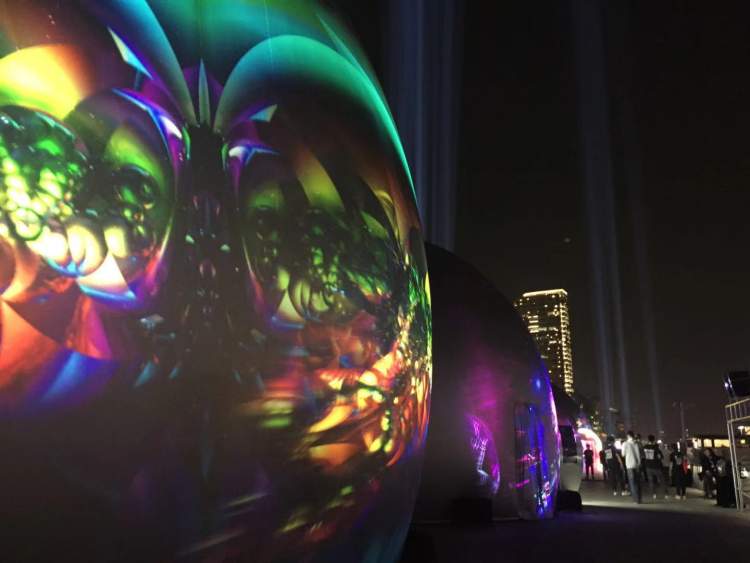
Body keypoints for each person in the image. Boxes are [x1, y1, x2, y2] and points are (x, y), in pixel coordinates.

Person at [643, 435, 668, 500]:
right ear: (654, 440)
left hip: (648, 466)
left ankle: (654, 494)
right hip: (656, 466)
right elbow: (660, 457)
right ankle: (665, 493)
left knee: (651, 481)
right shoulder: (656, 447)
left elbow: (643, 456)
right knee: (662, 480)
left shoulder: (645, 447)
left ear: (648, 439)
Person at [622, 431, 642, 503]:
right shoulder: (636, 443)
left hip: (630, 465)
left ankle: (635, 499)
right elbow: (639, 454)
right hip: (637, 465)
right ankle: (639, 499)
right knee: (638, 482)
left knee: (632, 482)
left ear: (628, 436)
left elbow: (623, 454)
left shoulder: (625, 444)